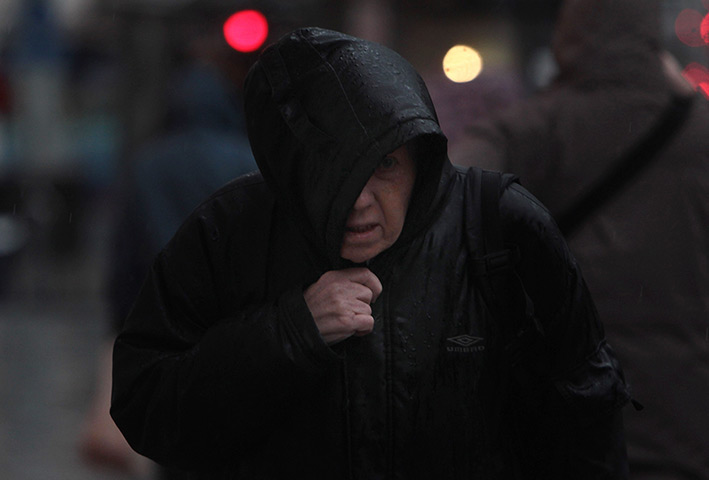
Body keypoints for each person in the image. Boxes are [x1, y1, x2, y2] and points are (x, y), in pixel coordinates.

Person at [110, 27, 631, 479]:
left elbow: (585, 419)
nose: (358, 200)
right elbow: (147, 407)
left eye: (384, 165)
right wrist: (291, 332)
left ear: (419, 159)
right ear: (293, 170)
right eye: (331, 170)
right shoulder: (234, 230)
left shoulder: (500, 225)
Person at [458, 0, 709, 478]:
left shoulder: (533, 127)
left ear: (568, 32)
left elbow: (455, 192)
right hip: (684, 417)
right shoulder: (698, 127)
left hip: (573, 412)